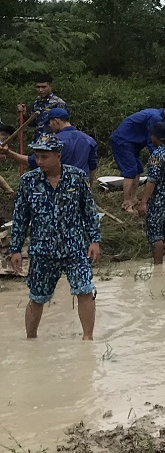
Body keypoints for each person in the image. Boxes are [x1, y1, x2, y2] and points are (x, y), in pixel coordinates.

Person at [8, 135, 102, 340]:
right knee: (37, 297)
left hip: (75, 247)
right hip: (42, 251)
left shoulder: (77, 178)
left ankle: (88, 340)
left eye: (44, 157)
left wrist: (95, 240)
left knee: (85, 290)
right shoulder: (28, 181)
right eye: (37, 156)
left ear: (58, 156)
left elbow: (89, 212)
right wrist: (15, 249)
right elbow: (20, 218)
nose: (39, 161)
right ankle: (31, 340)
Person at [110, 101, 165, 212]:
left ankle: (133, 198)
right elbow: (152, 141)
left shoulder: (156, 115)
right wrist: (159, 157)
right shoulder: (155, 118)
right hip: (123, 141)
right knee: (130, 171)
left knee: (138, 168)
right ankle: (126, 203)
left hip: (132, 142)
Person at [1, 107, 98, 183]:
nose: (49, 126)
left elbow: (33, 162)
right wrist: (88, 187)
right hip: (80, 184)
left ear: (56, 121)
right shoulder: (89, 140)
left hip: (59, 186)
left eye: (49, 123)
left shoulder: (53, 141)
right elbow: (92, 167)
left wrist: (8, 152)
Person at [138, 122, 165, 264]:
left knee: (156, 236)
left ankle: (158, 268)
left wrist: (143, 202)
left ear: (157, 137)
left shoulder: (156, 156)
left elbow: (152, 180)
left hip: (159, 201)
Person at [19, 73, 67, 137]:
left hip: (53, 139)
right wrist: (25, 114)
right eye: (38, 87)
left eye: (44, 87)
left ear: (50, 86)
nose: (40, 90)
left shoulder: (58, 103)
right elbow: (33, 124)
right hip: (38, 139)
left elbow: (62, 124)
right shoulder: (36, 103)